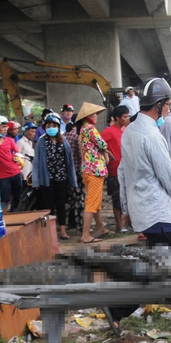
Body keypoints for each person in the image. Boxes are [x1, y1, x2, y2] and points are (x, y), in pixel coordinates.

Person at [112, 77, 171, 334]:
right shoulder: (151, 135)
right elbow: (169, 175)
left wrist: (127, 209)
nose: (169, 109)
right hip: (158, 212)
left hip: (144, 210)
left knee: (159, 266)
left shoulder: (129, 131)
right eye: (168, 104)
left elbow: (122, 173)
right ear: (161, 105)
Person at [33, 113, 77, 240]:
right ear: (45, 127)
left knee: (61, 205)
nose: (51, 128)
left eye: (54, 126)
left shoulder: (64, 140)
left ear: (58, 127)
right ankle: (50, 233)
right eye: (49, 126)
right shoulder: (42, 141)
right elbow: (37, 162)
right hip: (47, 180)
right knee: (48, 206)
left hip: (62, 178)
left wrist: (72, 179)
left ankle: (63, 231)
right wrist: (36, 181)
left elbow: (69, 161)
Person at [77, 102, 111, 243]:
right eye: (94, 113)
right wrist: (106, 152)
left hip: (87, 169)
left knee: (95, 202)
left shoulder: (82, 129)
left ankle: (101, 227)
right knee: (92, 203)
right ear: (87, 116)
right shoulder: (90, 128)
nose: (96, 116)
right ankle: (86, 235)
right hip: (95, 170)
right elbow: (102, 144)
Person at [101, 105, 131, 233]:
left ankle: (127, 222)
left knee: (127, 197)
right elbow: (98, 144)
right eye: (125, 117)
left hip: (127, 169)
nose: (127, 119)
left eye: (128, 116)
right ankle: (119, 225)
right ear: (117, 118)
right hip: (114, 170)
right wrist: (107, 154)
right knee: (117, 198)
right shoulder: (109, 132)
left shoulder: (125, 130)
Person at [64, 116, 84, 231]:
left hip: (66, 172)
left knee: (70, 198)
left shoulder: (65, 135)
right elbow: (81, 155)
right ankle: (80, 224)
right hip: (77, 171)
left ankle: (70, 222)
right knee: (80, 198)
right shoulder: (77, 136)